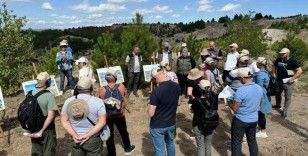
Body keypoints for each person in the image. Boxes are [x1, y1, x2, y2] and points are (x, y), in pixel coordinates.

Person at [61, 77, 106, 156]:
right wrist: (87, 135)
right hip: (93, 138)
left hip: (76, 139)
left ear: (77, 88)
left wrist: (74, 135)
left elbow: (64, 121)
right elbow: (102, 122)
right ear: (91, 88)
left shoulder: (68, 101)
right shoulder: (98, 101)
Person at [98, 69, 135, 156]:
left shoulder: (102, 89)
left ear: (106, 79)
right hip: (119, 114)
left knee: (109, 134)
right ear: (115, 77)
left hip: (108, 115)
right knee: (123, 131)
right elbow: (124, 99)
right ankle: (127, 148)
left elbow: (100, 102)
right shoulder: (121, 86)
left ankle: (111, 153)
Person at [228, 67, 263, 156]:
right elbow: (260, 102)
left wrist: (229, 102)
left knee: (236, 143)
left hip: (240, 120)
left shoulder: (241, 90)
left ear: (243, 78)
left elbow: (235, 108)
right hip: (254, 119)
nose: (239, 80)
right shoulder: (259, 88)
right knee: (252, 141)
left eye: (239, 78)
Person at [148, 67, 181, 156]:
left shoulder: (156, 91)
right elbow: (178, 103)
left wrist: (148, 104)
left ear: (155, 78)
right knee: (170, 144)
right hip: (171, 122)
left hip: (158, 125)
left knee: (160, 151)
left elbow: (151, 113)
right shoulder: (177, 86)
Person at [29, 72, 57, 156]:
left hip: (33, 127)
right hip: (47, 129)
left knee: (36, 151)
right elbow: (51, 116)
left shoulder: (30, 93)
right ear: (47, 82)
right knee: (48, 151)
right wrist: (42, 130)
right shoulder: (48, 95)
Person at [190, 80, 219, 156]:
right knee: (208, 144)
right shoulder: (214, 99)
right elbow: (216, 109)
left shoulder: (196, 101)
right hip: (211, 123)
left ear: (200, 89)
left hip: (198, 124)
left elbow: (192, 110)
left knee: (201, 146)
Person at [273, 48, 303, 118]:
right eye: (281, 53)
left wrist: (293, 79)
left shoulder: (293, 61)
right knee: (277, 94)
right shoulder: (278, 60)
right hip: (279, 81)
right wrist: (274, 74)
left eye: (283, 53)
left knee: (287, 97)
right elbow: (274, 66)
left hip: (288, 82)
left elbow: (300, 71)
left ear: (287, 53)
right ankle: (278, 105)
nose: (281, 54)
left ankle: (285, 111)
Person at [254, 57, 272, 138]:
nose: (256, 64)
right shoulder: (265, 72)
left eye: (257, 63)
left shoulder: (260, 74)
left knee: (260, 113)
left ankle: (263, 131)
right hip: (264, 94)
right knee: (260, 113)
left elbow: (258, 87)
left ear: (259, 64)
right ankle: (261, 129)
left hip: (261, 95)